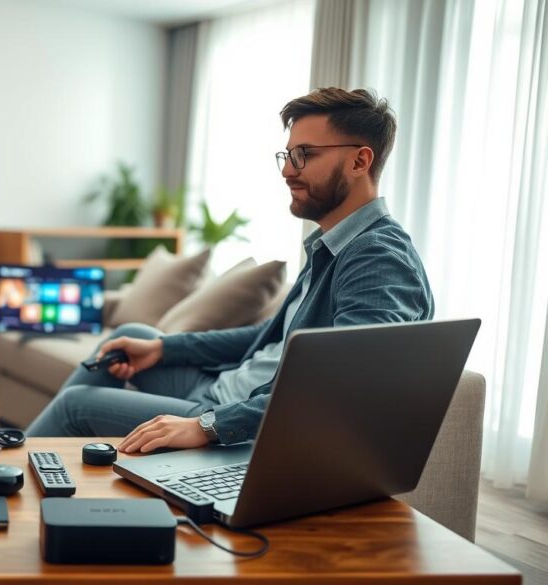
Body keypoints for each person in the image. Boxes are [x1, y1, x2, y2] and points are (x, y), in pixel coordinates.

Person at [26, 88, 434, 453]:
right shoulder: (331, 246)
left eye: (304, 155)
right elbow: (263, 339)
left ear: (360, 160)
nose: (287, 170)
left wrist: (207, 426)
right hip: (227, 387)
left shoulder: (377, 258)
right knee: (131, 338)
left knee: (75, 406)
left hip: (240, 418)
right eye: (288, 155)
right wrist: (164, 348)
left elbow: (342, 387)